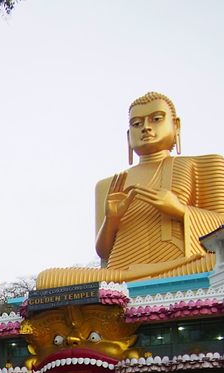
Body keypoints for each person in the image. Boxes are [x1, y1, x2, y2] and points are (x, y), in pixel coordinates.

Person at [37, 92, 224, 289]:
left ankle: (136, 281)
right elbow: (104, 251)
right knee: (47, 279)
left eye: (156, 119)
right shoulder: (107, 184)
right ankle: (133, 281)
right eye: (136, 123)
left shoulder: (205, 164)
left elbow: (220, 229)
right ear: (128, 135)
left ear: (176, 125)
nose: (146, 127)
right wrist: (112, 219)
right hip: (120, 274)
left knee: (215, 263)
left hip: (182, 266)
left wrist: (179, 209)